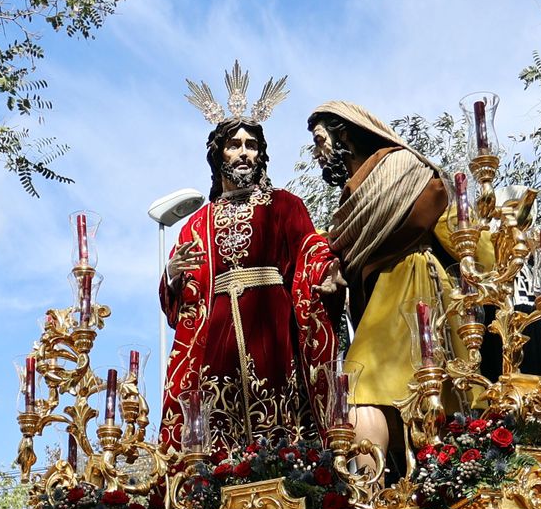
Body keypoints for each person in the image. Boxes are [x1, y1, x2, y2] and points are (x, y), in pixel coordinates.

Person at [159, 64, 340, 449]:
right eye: (235, 144)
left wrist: (324, 269)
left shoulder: (285, 205)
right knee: (220, 433)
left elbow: (310, 246)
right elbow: (180, 299)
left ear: (261, 155)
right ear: (218, 154)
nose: (244, 153)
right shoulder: (197, 222)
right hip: (217, 344)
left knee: (284, 425)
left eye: (251, 145)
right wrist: (172, 276)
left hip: (275, 332)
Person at [306, 102, 454, 469]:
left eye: (320, 139)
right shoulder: (353, 199)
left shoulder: (404, 170)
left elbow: (449, 218)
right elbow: (344, 246)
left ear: (344, 133)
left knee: (362, 388)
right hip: (378, 302)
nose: (316, 153)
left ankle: (369, 501)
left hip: (413, 290)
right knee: (380, 396)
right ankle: (377, 498)